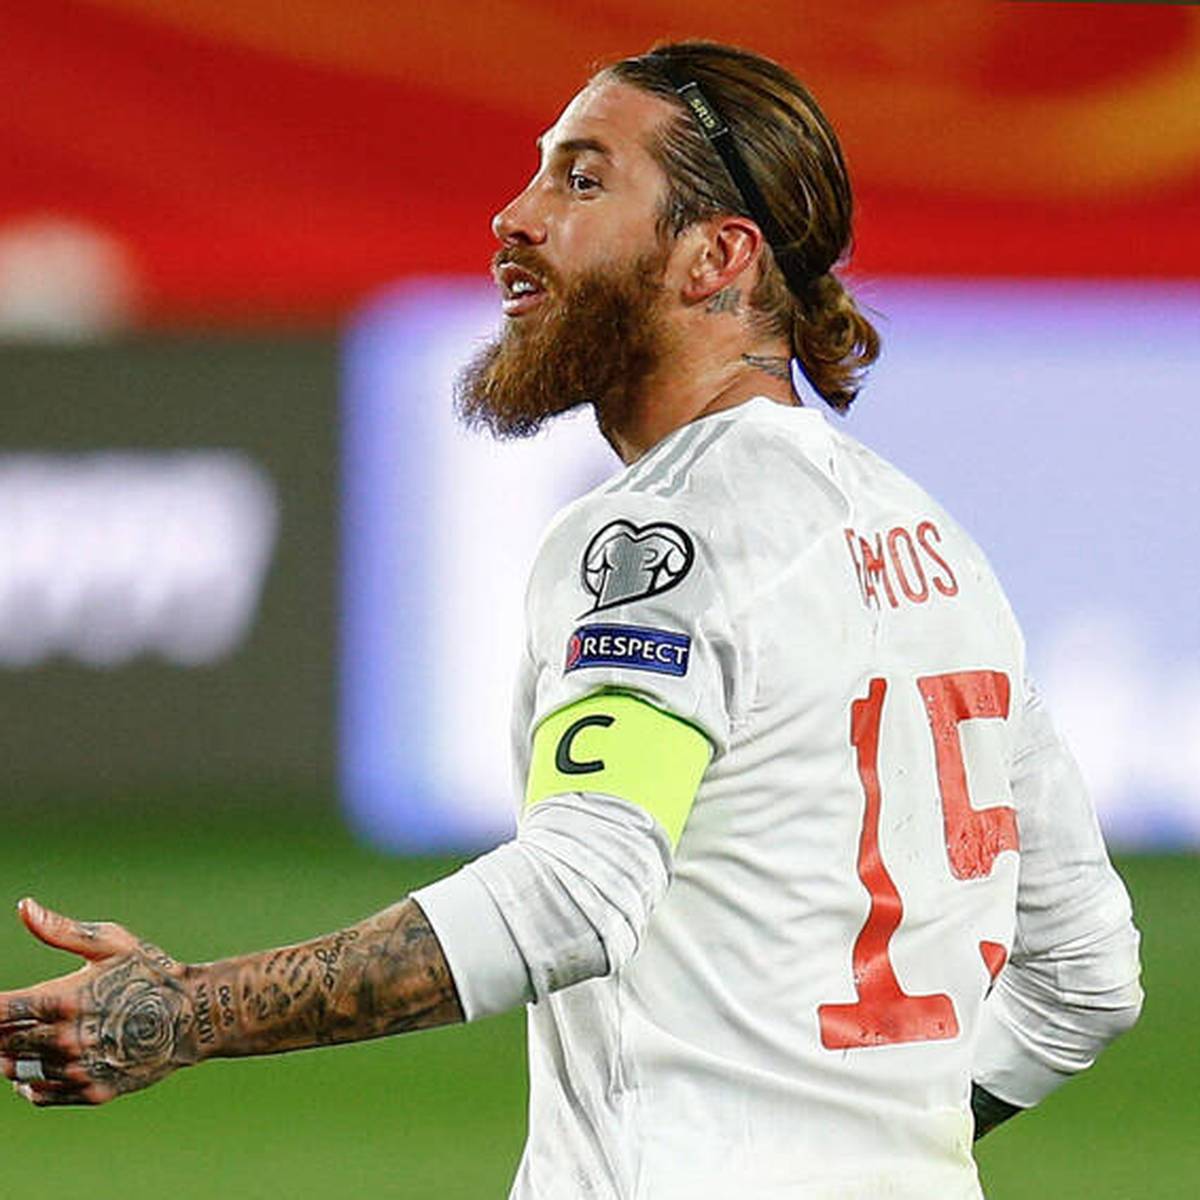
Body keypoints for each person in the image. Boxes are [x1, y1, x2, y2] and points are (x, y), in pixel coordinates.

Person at [0, 41, 1141, 1200]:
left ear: (717, 256)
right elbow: (1088, 976)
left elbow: (574, 895)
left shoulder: (666, 532)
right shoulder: (938, 549)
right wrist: (872, 1154)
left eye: (583, 181)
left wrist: (188, 1012)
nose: (515, 217)